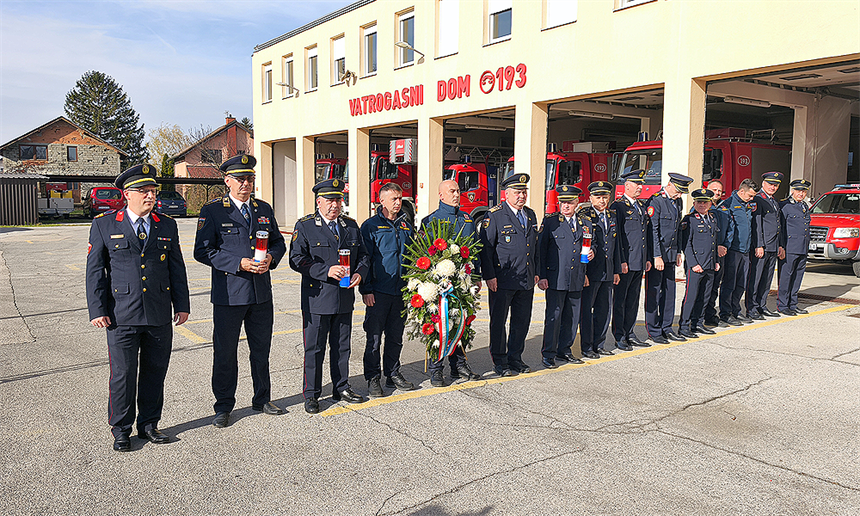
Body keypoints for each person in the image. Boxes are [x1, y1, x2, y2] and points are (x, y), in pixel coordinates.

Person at [86, 164, 190, 452]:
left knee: (155, 371)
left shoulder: (166, 224)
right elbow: (95, 271)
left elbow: (176, 268)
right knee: (123, 374)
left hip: (158, 313)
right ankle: (121, 428)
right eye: (144, 191)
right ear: (127, 194)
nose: (150, 195)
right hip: (121, 315)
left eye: (153, 191)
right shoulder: (105, 224)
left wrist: (181, 305)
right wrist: (97, 309)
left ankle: (149, 424)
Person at [194, 154, 287, 429]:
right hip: (230, 293)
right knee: (225, 353)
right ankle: (223, 405)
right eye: (240, 179)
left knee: (261, 350)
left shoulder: (263, 209)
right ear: (227, 181)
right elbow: (203, 251)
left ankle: (262, 398)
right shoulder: (213, 211)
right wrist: (237, 263)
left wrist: (271, 257)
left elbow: (279, 243)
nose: (246, 184)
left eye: (250, 179)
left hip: (260, 294)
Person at [289, 178, 370, 414]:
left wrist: (359, 274)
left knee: (342, 346)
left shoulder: (351, 226)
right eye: (330, 200)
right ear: (319, 202)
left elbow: (364, 256)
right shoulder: (305, 226)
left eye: (338, 200)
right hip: (317, 298)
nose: (335, 205)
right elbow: (297, 259)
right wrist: (326, 271)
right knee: (314, 348)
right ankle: (312, 394)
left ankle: (341, 387)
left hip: (344, 297)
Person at [421, 179, 482, 386]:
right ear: (441, 195)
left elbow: (475, 250)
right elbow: (424, 254)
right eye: (452, 191)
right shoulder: (430, 220)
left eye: (458, 191)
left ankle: (459, 364)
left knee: (462, 322)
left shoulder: (467, 219)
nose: (456, 194)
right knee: (439, 324)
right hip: (441, 285)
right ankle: (436, 368)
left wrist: (476, 276)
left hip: (463, 282)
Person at [360, 183, 416, 397]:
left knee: (395, 336)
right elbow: (364, 259)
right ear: (381, 200)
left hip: (400, 291)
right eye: (393, 198)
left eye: (400, 198)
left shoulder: (405, 225)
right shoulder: (370, 226)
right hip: (378, 292)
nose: (398, 202)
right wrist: (366, 289)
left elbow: (412, 256)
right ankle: (373, 377)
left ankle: (393, 373)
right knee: (374, 338)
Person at [479, 173, 539, 377]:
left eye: (524, 192)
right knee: (499, 321)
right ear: (506, 194)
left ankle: (515, 358)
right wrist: (489, 276)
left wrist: (536, 272)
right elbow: (486, 248)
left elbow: (534, 247)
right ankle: (500, 360)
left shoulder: (530, 215)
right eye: (517, 192)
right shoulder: (494, 215)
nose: (521, 196)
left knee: (521, 321)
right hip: (502, 279)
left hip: (526, 278)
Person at [537, 185, 592, 368]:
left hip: (576, 276)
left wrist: (592, 255)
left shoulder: (585, 223)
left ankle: (565, 350)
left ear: (577, 203)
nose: (565, 206)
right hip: (556, 277)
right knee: (554, 317)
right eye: (562, 202)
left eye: (569, 202)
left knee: (572, 317)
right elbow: (541, 250)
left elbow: (589, 246)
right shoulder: (551, 222)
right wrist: (542, 276)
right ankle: (549, 353)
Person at [644, 173, 694, 344]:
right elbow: (654, 231)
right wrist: (657, 255)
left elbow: (677, 228)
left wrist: (679, 250)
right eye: (678, 191)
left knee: (669, 292)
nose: (679, 195)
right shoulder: (656, 200)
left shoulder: (676, 201)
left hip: (671, 254)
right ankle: (654, 330)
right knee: (654, 292)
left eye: (681, 193)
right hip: (658, 255)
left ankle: (667, 327)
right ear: (670, 184)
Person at [579, 181, 622, 358]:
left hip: (608, 270)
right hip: (591, 271)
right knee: (587, 311)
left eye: (605, 197)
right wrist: (583, 273)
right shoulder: (585, 217)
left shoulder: (612, 216)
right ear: (590, 198)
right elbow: (582, 247)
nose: (602, 200)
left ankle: (599, 343)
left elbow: (616, 245)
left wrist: (616, 270)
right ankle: (587, 347)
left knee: (604, 310)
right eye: (598, 197)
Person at [611, 169, 651, 350]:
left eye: (641, 184)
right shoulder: (618, 206)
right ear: (627, 186)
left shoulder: (641, 206)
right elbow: (617, 236)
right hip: (626, 261)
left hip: (639, 260)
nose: (640, 187)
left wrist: (647, 258)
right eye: (637, 184)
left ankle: (630, 332)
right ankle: (619, 335)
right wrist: (621, 261)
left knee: (633, 300)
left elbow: (645, 236)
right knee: (621, 301)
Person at [678, 189, 720, 338]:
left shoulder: (713, 218)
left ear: (710, 203)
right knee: (691, 296)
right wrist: (693, 263)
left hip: (709, 264)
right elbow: (686, 244)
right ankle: (684, 325)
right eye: (699, 202)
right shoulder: (689, 220)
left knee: (704, 296)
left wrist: (716, 261)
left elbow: (714, 243)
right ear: (694, 203)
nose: (702, 205)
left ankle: (698, 323)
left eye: (705, 202)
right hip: (696, 265)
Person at [746, 171, 785, 319]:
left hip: (773, 246)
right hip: (762, 246)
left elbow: (777, 225)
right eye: (770, 184)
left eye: (775, 185)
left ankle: (762, 306)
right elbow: (757, 224)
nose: (773, 187)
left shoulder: (774, 201)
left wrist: (780, 245)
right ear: (763, 183)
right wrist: (759, 245)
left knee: (767, 279)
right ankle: (752, 308)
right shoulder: (757, 199)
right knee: (755, 279)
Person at [718, 179, 757, 326]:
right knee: (729, 284)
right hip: (733, 250)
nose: (752, 199)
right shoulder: (728, 205)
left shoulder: (746, 205)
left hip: (745, 251)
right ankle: (725, 313)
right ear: (742, 191)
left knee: (741, 283)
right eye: (750, 196)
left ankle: (735, 311)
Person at [777, 179, 812, 315]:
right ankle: (783, 305)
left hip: (802, 247)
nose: (801, 193)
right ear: (792, 191)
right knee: (786, 276)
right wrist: (782, 246)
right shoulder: (784, 205)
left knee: (797, 277)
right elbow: (781, 229)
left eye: (803, 191)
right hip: (790, 247)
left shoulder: (804, 206)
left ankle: (793, 303)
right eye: (798, 190)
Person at [698, 179, 729, 328]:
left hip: (720, 254)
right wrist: (716, 247)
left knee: (714, 287)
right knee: (702, 289)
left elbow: (730, 229)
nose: (716, 193)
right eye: (714, 190)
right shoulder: (700, 208)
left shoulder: (724, 207)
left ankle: (710, 315)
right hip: (705, 255)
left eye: (719, 191)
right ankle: (697, 317)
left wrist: (724, 246)